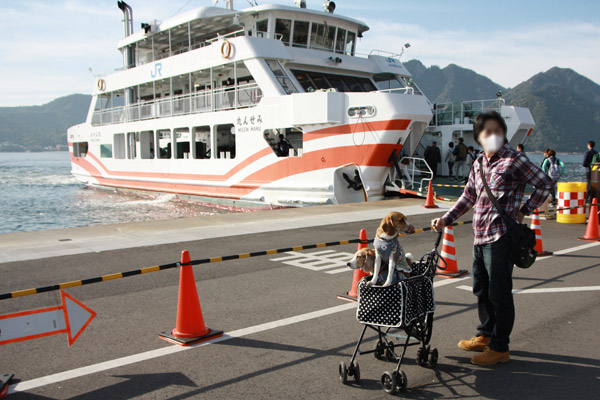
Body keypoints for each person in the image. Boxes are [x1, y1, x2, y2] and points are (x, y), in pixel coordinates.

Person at [431, 111, 552, 366]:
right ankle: (486, 334)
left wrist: (525, 210)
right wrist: (446, 219)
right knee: (482, 289)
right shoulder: (479, 163)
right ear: (478, 137)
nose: (493, 135)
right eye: (487, 131)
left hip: (501, 237)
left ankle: (500, 347)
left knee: (499, 293)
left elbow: (545, 184)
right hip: (479, 236)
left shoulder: (514, 159)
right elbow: (468, 197)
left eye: (498, 130)